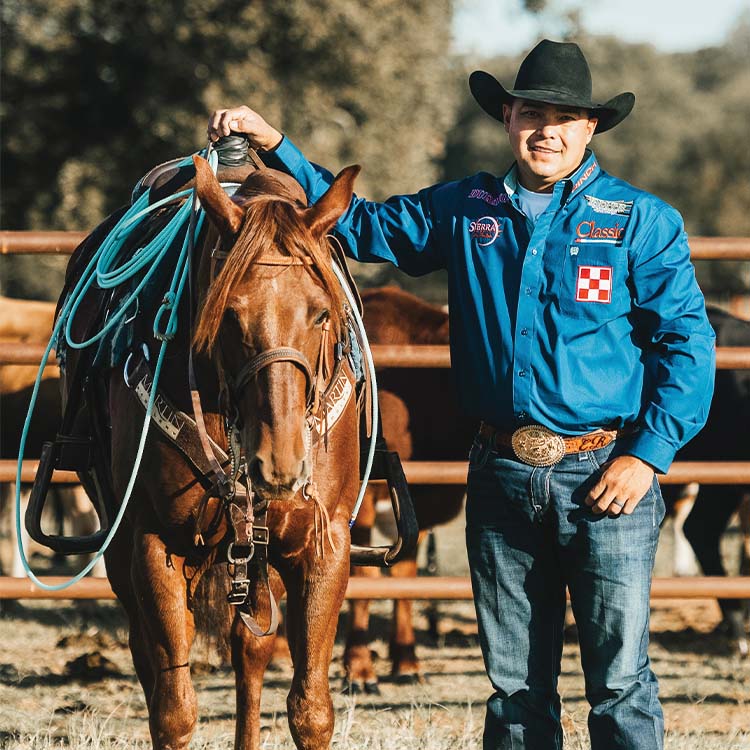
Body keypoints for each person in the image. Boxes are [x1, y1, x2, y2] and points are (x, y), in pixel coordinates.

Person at [207, 39, 715, 750]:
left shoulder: (639, 221)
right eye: (532, 112)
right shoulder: (466, 208)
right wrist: (276, 145)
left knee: (620, 681)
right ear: (508, 118)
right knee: (514, 686)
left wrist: (648, 456)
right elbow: (359, 224)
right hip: (502, 472)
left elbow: (688, 348)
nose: (548, 130)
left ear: (591, 127)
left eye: (565, 117)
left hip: (606, 476)